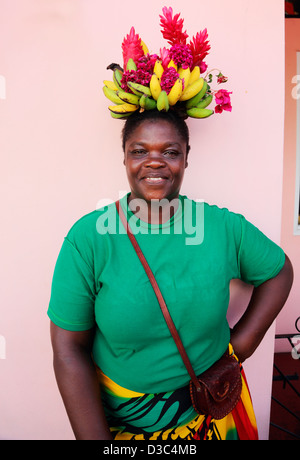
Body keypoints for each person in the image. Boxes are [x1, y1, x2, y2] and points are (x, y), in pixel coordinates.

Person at [48, 8, 294, 440]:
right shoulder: (88, 239)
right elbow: (68, 350)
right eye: (140, 151)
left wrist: (241, 347)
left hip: (213, 411)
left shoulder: (221, 227)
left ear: (186, 158)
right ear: (124, 159)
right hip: (129, 422)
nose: (155, 161)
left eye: (170, 151)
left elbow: (279, 271)